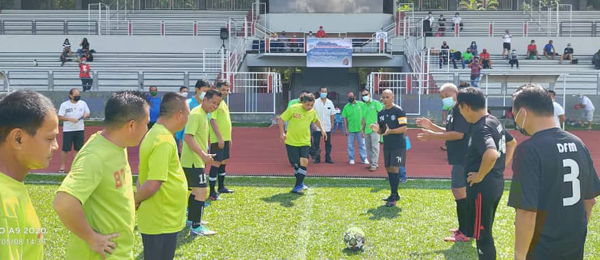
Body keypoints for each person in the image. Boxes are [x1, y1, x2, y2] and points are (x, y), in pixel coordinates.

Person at [54, 91, 150, 259]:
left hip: (117, 253)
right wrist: (92, 238)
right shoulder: (95, 156)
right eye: (146, 123)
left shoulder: (117, 144)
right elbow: (63, 203)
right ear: (132, 125)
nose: (147, 129)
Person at [509, 84, 600, 260]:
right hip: (573, 244)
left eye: (514, 116)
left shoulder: (529, 149)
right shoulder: (578, 142)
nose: (515, 121)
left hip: (542, 247)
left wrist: (519, 256)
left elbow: (527, 212)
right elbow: (589, 200)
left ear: (523, 113)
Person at [457, 87, 517, 260]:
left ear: (466, 107)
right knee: (484, 232)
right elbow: (512, 142)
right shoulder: (493, 120)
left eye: (460, 109)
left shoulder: (480, 128)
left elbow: (491, 154)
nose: (461, 113)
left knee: (483, 237)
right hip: (495, 184)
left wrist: (480, 175)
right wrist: (499, 166)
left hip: (483, 188)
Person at [0, 90, 59, 260]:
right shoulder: (5, 201)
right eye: (49, 139)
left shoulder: (11, 187)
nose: (55, 146)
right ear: (18, 138)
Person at [135, 92, 189, 260]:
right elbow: (152, 183)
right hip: (161, 219)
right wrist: (135, 200)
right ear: (179, 114)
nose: (188, 117)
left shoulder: (156, 133)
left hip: (161, 217)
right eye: (188, 113)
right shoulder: (163, 140)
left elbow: (142, 174)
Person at [416, 83, 470, 242]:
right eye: (442, 97)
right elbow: (449, 132)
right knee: (460, 191)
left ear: (456, 93)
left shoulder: (461, 110)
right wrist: (431, 126)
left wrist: (433, 135)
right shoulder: (453, 110)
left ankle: (465, 231)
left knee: (459, 191)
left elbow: (459, 134)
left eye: (447, 95)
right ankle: (464, 227)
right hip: (458, 157)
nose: (444, 99)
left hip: (463, 157)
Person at [181, 89, 221, 236]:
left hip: (196, 159)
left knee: (195, 190)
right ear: (205, 100)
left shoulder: (204, 114)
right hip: (193, 160)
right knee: (202, 191)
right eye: (213, 102)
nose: (215, 106)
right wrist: (204, 155)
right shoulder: (196, 114)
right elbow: (188, 137)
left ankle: (192, 220)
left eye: (217, 104)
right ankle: (196, 227)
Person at [278, 93, 326, 194]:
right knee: (296, 165)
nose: (309, 107)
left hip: (305, 141)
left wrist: (322, 130)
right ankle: (300, 182)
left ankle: (298, 186)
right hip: (291, 142)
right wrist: (282, 133)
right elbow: (281, 119)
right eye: (307, 105)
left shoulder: (312, 111)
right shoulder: (293, 108)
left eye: (311, 105)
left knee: (304, 162)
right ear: (303, 102)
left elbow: (316, 120)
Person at [369, 90, 408, 207]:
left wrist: (390, 131)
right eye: (383, 97)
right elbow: (382, 130)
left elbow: (404, 128)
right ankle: (394, 194)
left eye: (387, 97)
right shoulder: (380, 113)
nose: (385, 99)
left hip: (398, 145)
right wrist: (377, 130)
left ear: (392, 97)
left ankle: (394, 196)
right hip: (387, 145)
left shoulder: (399, 111)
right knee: (388, 169)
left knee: (395, 169)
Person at [208, 82, 234, 201]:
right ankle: (212, 192)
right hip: (218, 140)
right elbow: (212, 121)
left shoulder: (223, 103)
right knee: (216, 163)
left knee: (223, 161)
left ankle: (221, 187)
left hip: (226, 139)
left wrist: (229, 138)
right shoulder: (216, 104)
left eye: (227, 90)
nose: (225, 92)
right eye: (223, 90)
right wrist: (219, 137)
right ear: (217, 89)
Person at [58, 88, 90, 173]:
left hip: (79, 129)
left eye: (78, 95)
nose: (77, 97)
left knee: (78, 149)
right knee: (65, 149)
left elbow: (87, 113)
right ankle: (62, 166)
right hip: (68, 130)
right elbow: (60, 116)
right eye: (75, 95)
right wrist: (70, 119)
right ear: (70, 96)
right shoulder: (64, 105)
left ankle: (76, 166)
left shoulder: (83, 103)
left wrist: (83, 116)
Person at [175, 80, 212, 152]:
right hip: (188, 145)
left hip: (203, 145)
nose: (206, 94)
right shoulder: (187, 104)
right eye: (204, 91)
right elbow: (180, 123)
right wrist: (179, 140)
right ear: (197, 90)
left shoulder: (208, 106)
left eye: (208, 92)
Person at [361, 88, 384, 172]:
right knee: (368, 148)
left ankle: (374, 164)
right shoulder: (363, 106)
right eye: (363, 95)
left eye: (366, 94)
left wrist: (380, 126)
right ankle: (371, 163)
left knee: (375, 147)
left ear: (370, 95)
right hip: (367, 129)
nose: (364, 96)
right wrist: (362, 130)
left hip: (375, 129)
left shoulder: (376, 103)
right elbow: (363, 119)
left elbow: (382, 115)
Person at [342, 91, 368, 165]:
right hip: (351, 129)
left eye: (351, 96)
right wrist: (346, 129)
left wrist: (364, 127)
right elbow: (345, 118)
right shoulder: (346, 107)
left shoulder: (361, 104)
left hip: (360, 129)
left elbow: (365, 114)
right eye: (349, 97)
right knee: (350, 145)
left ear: (355, 97)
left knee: (362, 145)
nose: (350, 98)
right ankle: (351, 159)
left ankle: (364, 158)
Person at [311, 87, 335, 164]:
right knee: (316, 143)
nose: (323, 93)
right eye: (322, 91)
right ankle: (317, 158)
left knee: (328, 144)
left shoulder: (330, 102)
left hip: (327, 127)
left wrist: (332, 123)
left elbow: (332, 114)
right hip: (317, 127)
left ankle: (328, 158)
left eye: (325, 91)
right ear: (319, 92)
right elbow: (312, 114)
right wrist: (313, 124)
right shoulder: (315, 102)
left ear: (327, 93)